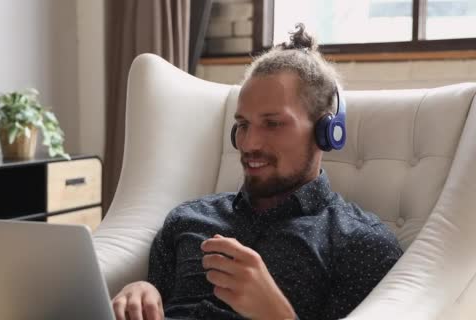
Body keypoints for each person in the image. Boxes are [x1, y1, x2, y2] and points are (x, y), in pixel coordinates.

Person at [111, 23, 403, 320]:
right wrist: (142, 290)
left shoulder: (361, 245)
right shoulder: (187, 219)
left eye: (273, 124)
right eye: (243, 125)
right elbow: (153, 301)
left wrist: (276, 314)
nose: (249, 143)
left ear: (325, 131)